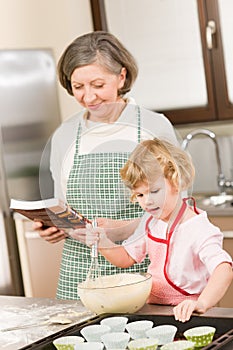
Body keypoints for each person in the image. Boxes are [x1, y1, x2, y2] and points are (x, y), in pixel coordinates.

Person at [35, 31, 179, 300]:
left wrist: (125, 229)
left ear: (121, 77)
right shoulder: (64, 135)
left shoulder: (153, 127)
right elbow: (63, 204)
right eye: (78, 87)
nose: (88, 97)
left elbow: (177, 211)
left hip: (140, 271)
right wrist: (55, 225)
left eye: (98, 85)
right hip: (79, 275)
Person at [84, 138, 233, 322]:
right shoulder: (151, 222)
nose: (147, 201)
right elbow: (127, 258)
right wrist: (103, 243)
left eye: (154, 191)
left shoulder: (198, 228)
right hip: (154, 310)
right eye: (140, 194)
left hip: (190, 314)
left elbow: (223, 269)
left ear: (177, 183)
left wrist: (201, 304)